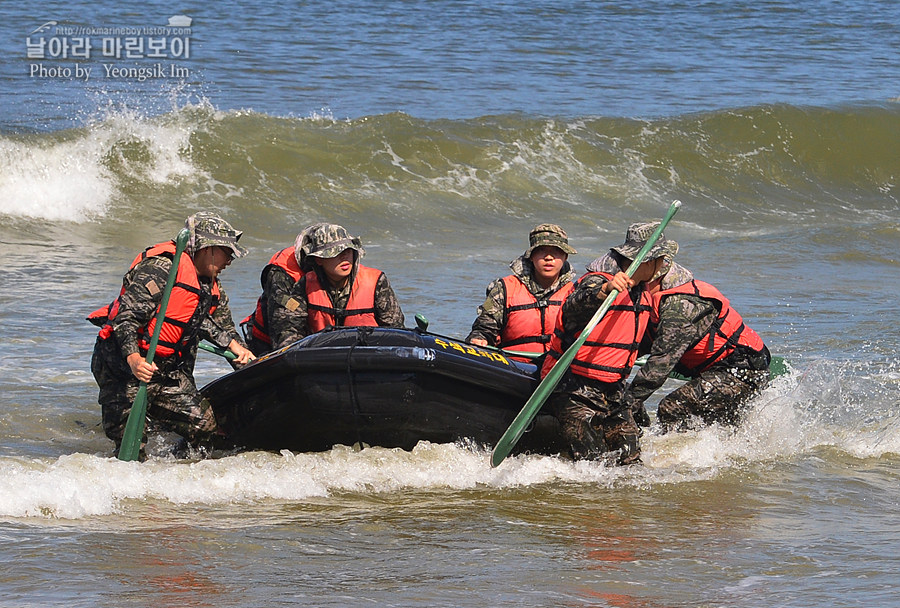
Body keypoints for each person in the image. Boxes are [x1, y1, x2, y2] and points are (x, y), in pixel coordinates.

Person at [88, 212, 256, 456]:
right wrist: (133, 359)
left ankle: (175, 470)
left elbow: (221, 327)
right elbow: (125, 319)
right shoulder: (160, 269)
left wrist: (240, 352)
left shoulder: (210, 283)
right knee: (132, 448)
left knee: (204, 425)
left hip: (166, 370)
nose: (230, 260)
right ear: (206, 248)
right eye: (226, 252)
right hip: (124, 367)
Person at [542, 221, 678, 465]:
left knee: (631, 462)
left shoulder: (643, 292)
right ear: (647, 261)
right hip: (573, 386)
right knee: (592, 465)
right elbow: (575, 306)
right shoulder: (597, 281)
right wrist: (604, 290)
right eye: (660, 260)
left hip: (613, 390)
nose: (662, 267)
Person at [621, 261, 771, 433]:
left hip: (742, 371)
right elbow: (633, 346)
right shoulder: (653, 299)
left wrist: (625, 405)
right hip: (711, 369)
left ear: (655, 279)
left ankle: (676, 453)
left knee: (671, 407)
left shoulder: (680, 309)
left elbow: (659, 367)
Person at [267, 223, 405, 349]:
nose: (344, 256)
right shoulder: (304, 285)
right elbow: (289, 329)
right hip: (323, 360)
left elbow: (396, 330)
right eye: (336, 253)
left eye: (348, 250)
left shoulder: (377, 282)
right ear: (319, 260)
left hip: (369, 358)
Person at [466, 223, 577, 362]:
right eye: (541, 250)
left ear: (565, 256)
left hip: (556, 371)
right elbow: (485, 327)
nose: (549, 257)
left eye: (556, 251)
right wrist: (479, 338)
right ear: (531, 256)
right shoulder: (503, 289)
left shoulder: (577, 293)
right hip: (513, 368)